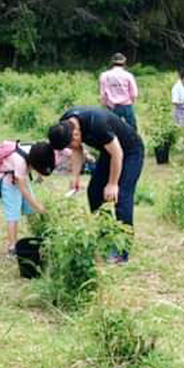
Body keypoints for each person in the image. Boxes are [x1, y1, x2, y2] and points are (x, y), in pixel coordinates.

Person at [47, 108, 145, 259]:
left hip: (131, 151)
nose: (72, 146)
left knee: (122, 197)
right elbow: (77, 149)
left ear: (76, 133)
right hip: (109, 152)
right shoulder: (65, 123)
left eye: (71, 143)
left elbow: (118, 154)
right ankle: (106, 236)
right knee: (94, 192)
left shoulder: (97, 123)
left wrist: (112, 184)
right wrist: (75, 176)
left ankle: (122, 249)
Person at [0, 141, 56, 255]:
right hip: (8, 182)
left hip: (20, 178)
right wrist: (39, 207)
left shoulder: (37, 150)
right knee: (13, 214)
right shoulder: (20, 162)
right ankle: (12, 247)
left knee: (30, 208)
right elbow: (23, 190)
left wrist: (39, 174)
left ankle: (38, 235)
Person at [98, 53, 139, 129]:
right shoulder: (128, 75)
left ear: (112, 62)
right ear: (124, 63)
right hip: (126, 105)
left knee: (112, 129)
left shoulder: (104, 75)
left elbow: (102, 94)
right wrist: (132, 102)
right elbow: (134, 94)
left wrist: (104, 104)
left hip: (111, 106)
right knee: (132, 129)